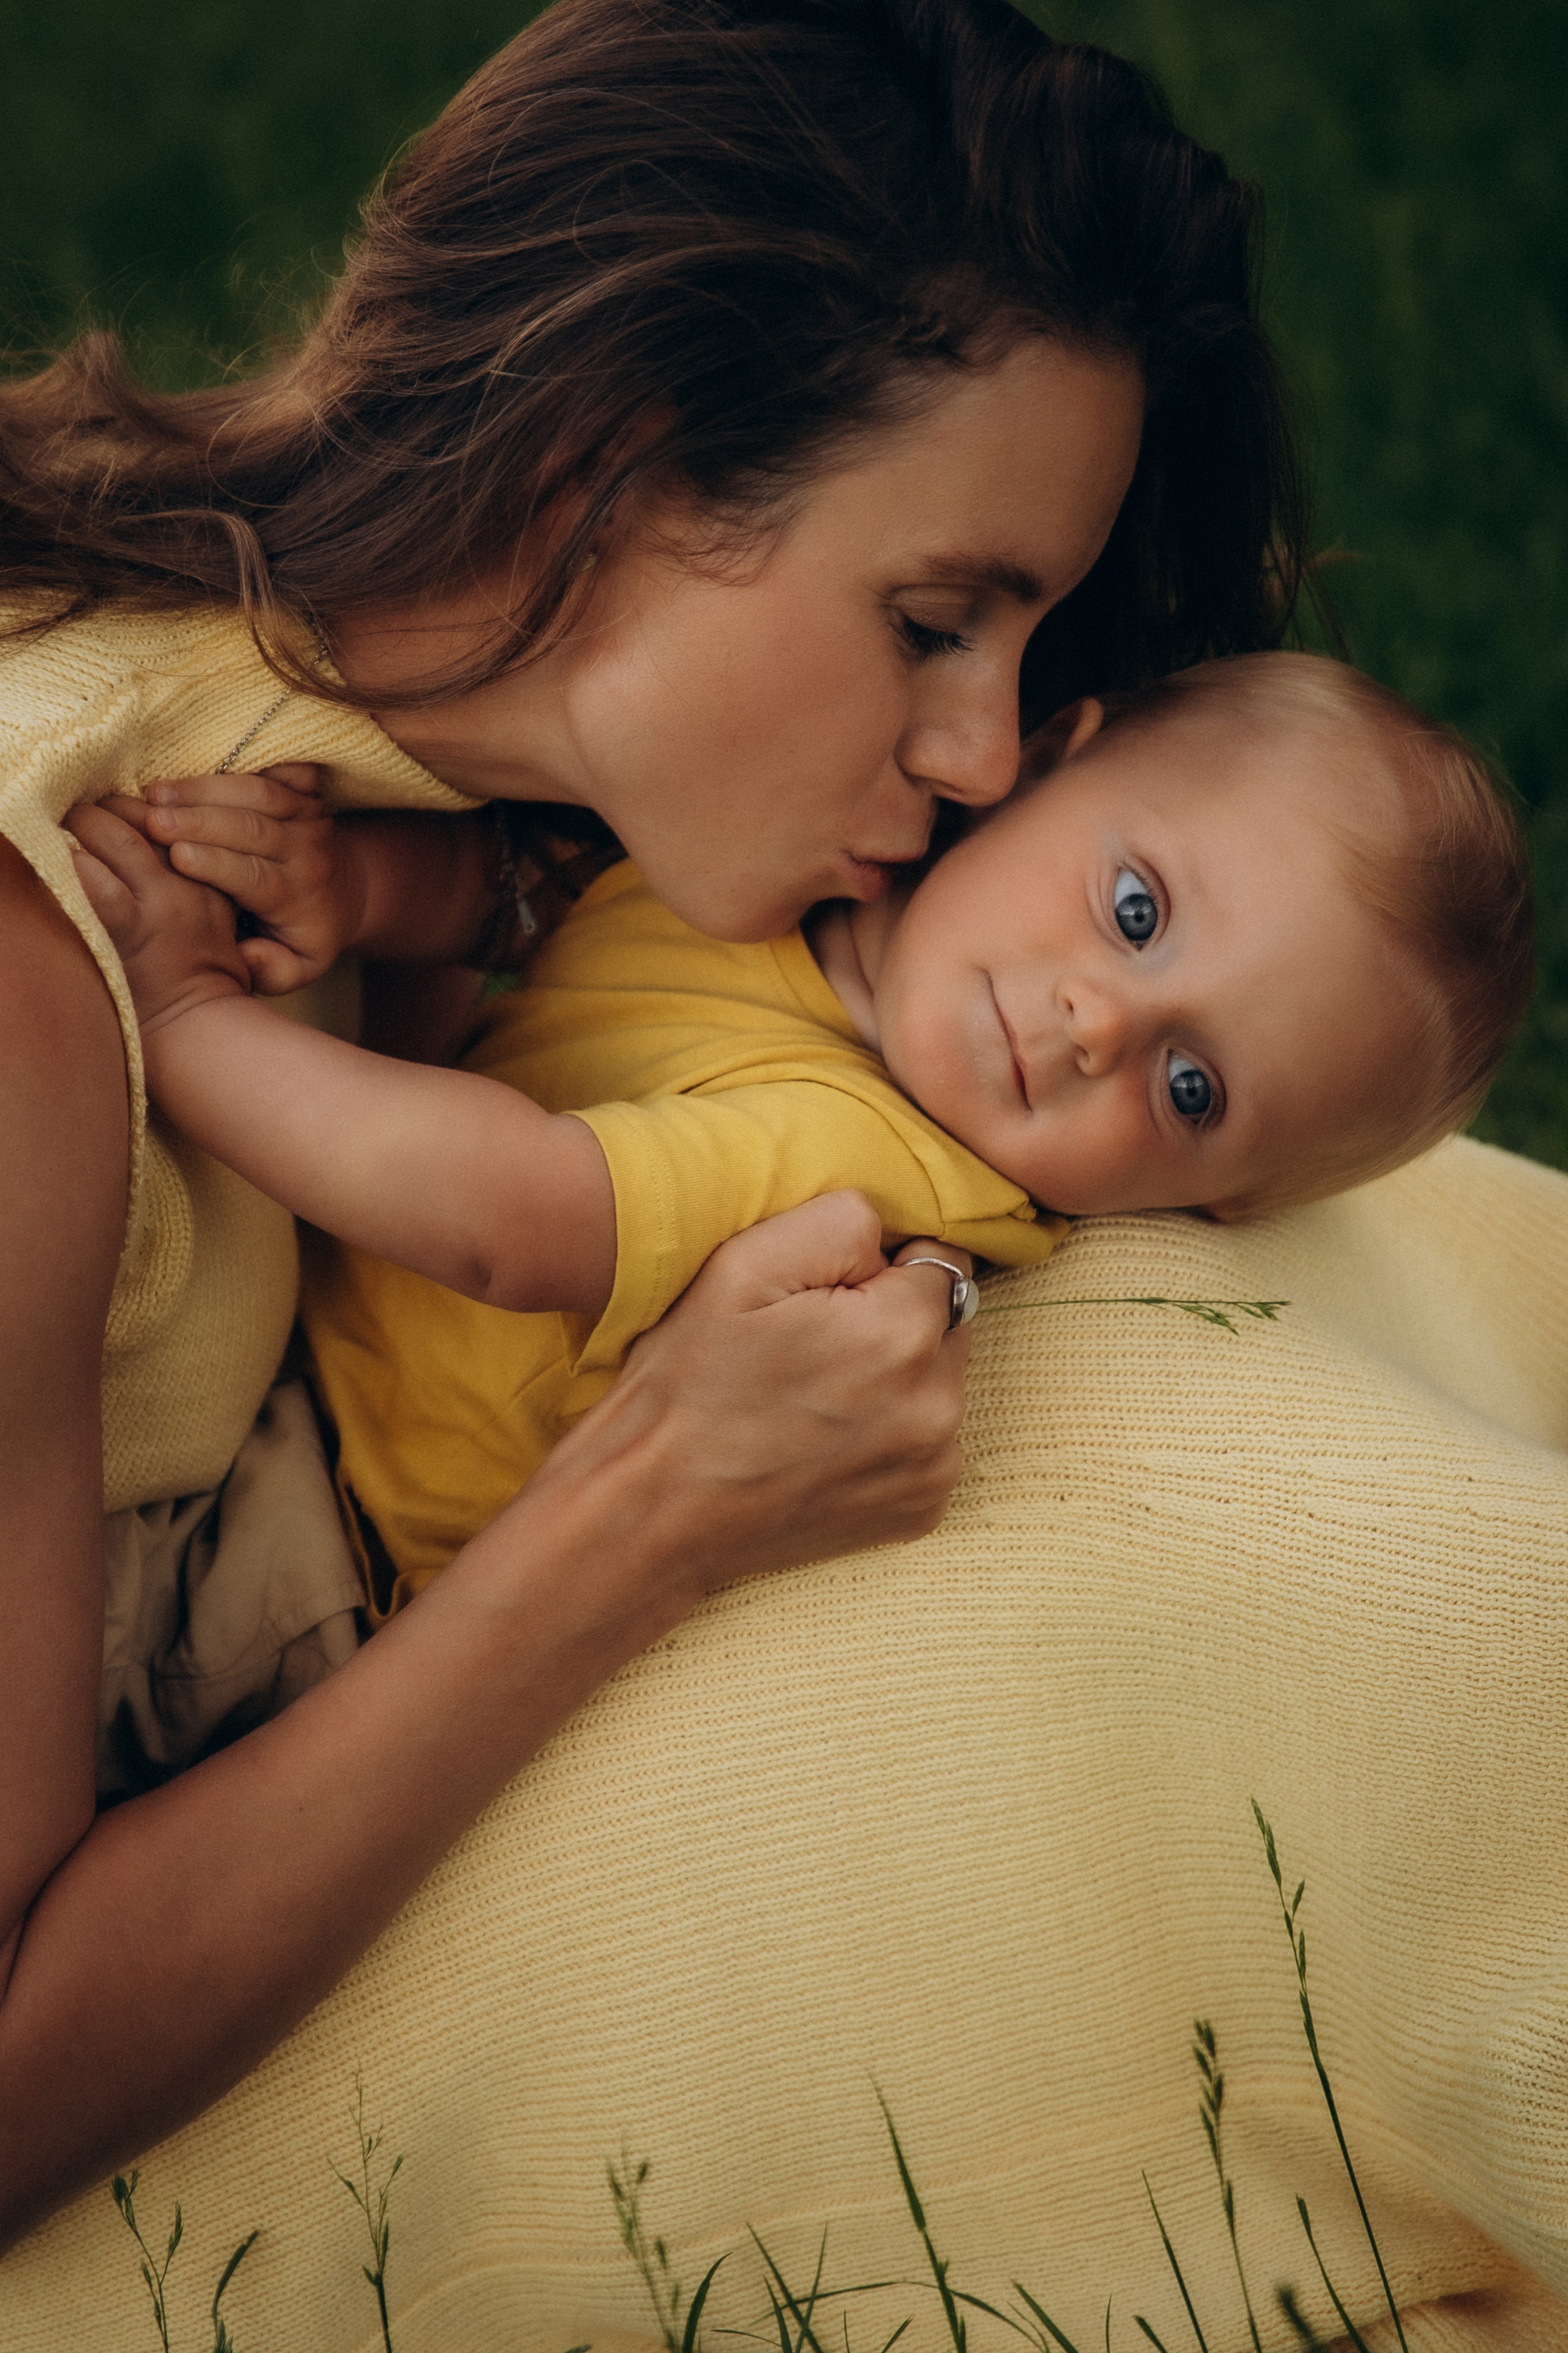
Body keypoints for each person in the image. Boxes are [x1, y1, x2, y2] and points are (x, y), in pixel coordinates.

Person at [0, 0, 1306, 2248]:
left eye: (1029, 646)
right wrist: (650, 1513)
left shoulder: (383, 804)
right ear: (614, 465)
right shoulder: (50, 977)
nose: (994, 756)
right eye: (932, 619)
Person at [69, 648, 1532, 1620]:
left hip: (307, 1544)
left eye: (1189, 1090)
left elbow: (503, 1214)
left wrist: (192, 1018)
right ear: (1041, 761)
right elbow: (539, 901)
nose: (1101, 1023)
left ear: (1207, 1209)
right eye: (1135, 911)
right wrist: (364, 892)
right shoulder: (812, 878)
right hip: (281, 1338)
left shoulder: (875, 1165)